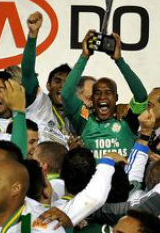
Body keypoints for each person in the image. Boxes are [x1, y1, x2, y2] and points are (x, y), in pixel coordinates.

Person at [60, 29, 148, 158]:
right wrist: (84, 57)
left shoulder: (126, 118)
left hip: (122, 178)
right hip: (94, 179)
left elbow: (141, 97)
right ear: (92, 98)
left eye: (108, 92)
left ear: (116, 98)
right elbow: (66, 94)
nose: (102, 97)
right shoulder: (85, 119)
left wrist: (119, 61)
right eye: (97, 93)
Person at [22, 11, 74, 146]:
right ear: (48, 85)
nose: (62, 86)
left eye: (68, 82)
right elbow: (27, 72)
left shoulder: (78, 111)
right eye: (57, 81)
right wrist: (32, 35)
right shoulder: (39, 102)